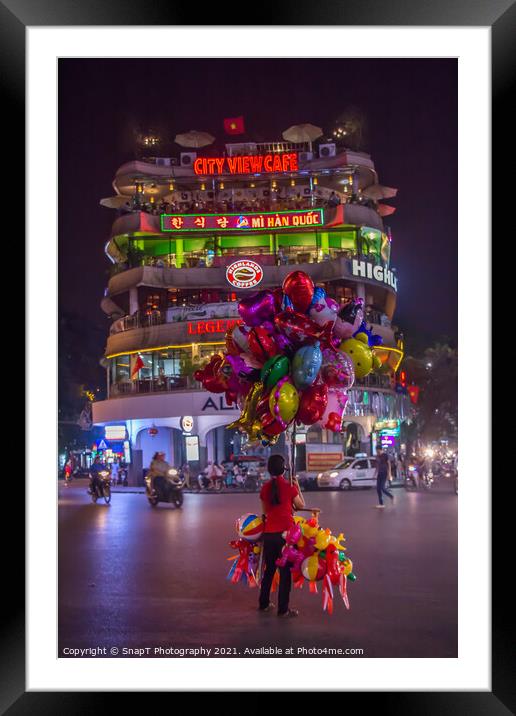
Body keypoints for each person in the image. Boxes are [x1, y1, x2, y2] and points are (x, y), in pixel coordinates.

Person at [258, 454, 305, 618]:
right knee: (285, 574)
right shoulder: (290, 487)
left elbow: (264, 513)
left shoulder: (265, 488)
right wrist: (297, 485)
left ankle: (263, 603)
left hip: (269, 535)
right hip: (286, 537)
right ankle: (283, 609)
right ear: (284, 470)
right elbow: (300, 505)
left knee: (269, 570)